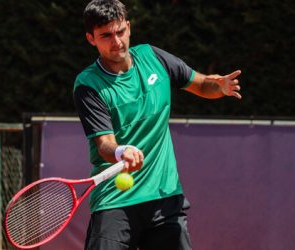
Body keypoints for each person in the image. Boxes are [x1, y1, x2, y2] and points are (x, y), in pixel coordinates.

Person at [73, 0, 242, 249]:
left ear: (129, 28)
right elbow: (104, 144)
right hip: (114, 201)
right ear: (91, 39)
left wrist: (220, 87)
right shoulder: (88, 84)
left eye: (120, 32)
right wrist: (122, 151)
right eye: (106, 35)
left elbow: (202, 84)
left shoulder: (154, 58)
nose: (116, 41)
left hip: (164, 196)